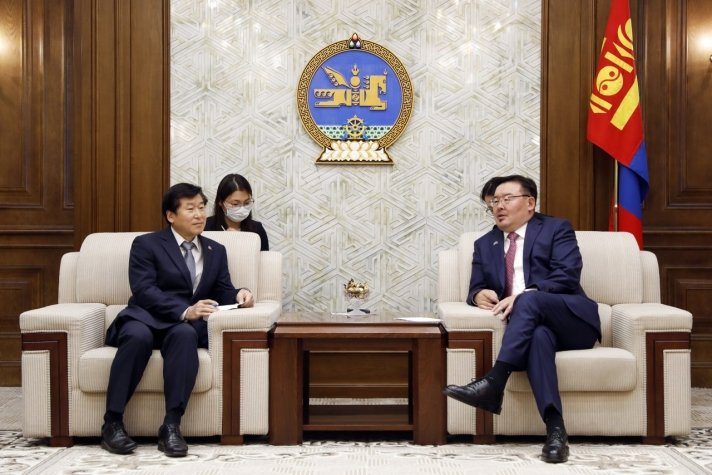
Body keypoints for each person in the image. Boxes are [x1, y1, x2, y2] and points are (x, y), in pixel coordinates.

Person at [444, 175, 600, 464]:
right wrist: (478, 295)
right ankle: (555, 432)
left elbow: (567, 275)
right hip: (532, 329)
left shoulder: (556, 229)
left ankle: (494, 381)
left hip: (572, 320)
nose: (498, 206)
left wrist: (524, 295)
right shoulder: (484, 244)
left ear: (530, 202)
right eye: (494, 201)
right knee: (538, 338)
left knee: (527, 299)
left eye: (507, 199)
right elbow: (474, 288)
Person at [100, 183, 255, 457]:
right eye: (190, 209)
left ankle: (171, 426)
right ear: (171, 215)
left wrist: (240, 293)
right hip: (145, 317)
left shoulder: (215, 250)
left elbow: (222, 289)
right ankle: (112, 423)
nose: (199, 215)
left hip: (179, 326)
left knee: (186, 336)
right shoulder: (147, 244)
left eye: (201, 207)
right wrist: (185, 311)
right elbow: (144, 290)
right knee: (137, 337)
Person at [205, 173, 269, 251]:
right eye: (235, 204)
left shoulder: (257, 229)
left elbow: (263, 257)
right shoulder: (206, 227)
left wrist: (241, 242)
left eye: (247, 203)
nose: (242, 208)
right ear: (220, 202)